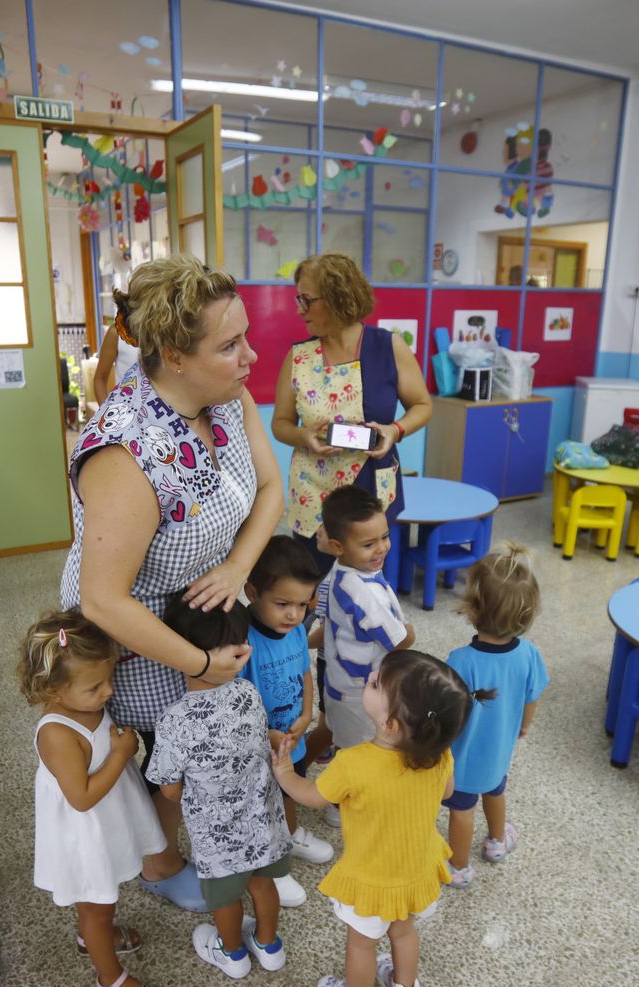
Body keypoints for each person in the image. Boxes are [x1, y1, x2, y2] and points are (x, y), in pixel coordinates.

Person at [61, 256, 285, 913]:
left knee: (205, 745)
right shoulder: (125, 453)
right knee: (167, 757)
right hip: (136, 633)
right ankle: (161, 865)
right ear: (172, 356)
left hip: (200, 611)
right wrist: (200, 663)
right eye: (229, 344)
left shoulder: (227, 398)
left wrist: (240, 567)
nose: (251, 355)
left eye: (245, 335)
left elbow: (270, 489)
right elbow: (105, 599)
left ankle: (231, 854)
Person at [272, 650, 482, 987]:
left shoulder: (353, 763)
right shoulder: (439, 756)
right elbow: (448, 792)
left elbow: (312, 796)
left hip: (371, 878)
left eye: (375, 682)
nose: (370, 675)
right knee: (403, 932)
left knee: (362, 944)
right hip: (415, 868)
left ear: (389, 723)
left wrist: (284, 772)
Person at [23, 609, 166, 987]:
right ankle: (111, 979)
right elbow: (81, 798)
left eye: (109, 680)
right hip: (85, 832)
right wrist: (122, 754)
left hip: (107, 823)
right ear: (51, 689)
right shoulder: (57, 733)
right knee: (96, 904)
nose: (107, 693)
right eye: (94, 687)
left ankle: (93, 934)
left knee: (101, 902)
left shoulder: (84, 704)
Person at [148, 599, 291, 981]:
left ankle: (232, 954)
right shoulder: (248, 692)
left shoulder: (173, 720)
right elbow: (261, 740)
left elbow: (170, 790)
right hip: (263, 823)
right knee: (263, 884)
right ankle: (269, 944)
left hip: (217, 838)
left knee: (225, 897)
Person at [272, 252, 432, 567]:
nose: (298, 309)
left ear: (335, 298)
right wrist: (305, 437)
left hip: (370, 486)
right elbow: (281, 423)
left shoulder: (388, 347)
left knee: (366, 585)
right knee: (313, 585)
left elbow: (423, 405)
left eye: (306, 300)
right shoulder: (299, 357)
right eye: (297, 299)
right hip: (313, 490)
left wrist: (394, 431)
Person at [441, 543, 550, 887]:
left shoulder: (461, 660)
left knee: (462, 811)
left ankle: (458, 868)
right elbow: (532, 697)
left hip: (462, 759)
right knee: (496, 791)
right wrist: (524, 726)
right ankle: (497, 843)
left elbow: (446, 712)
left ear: (473, 608)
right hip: (499, 750)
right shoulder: (529, 653)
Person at [240, 535, 335, 904]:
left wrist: (309, 712)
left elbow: (305, 674)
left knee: (288, 789)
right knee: (260, 805)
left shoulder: (295, 630)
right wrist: (266, 733)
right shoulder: (242, 639)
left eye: (302, 604)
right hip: (256, 743)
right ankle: (269, 867)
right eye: (282, 604)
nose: (295, 615)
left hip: (290, 739)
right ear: (252, 591)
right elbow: (232, 701)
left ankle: (290, 837)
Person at [317, 487, 414, 755]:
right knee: (362, 756)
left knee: (341, 741)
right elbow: (401, 640)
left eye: (384, 537)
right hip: (361, 695)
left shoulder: (341, 568)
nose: (381, 548)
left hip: (341, 682)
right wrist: (411, 632)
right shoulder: (364, 594)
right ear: (338, 546)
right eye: (368, 544)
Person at [91, 318, 143, 401]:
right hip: (126, 408)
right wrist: (105, 412)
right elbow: (100, 378)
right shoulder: (116, 332)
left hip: (164, 410)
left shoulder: (166, 331)